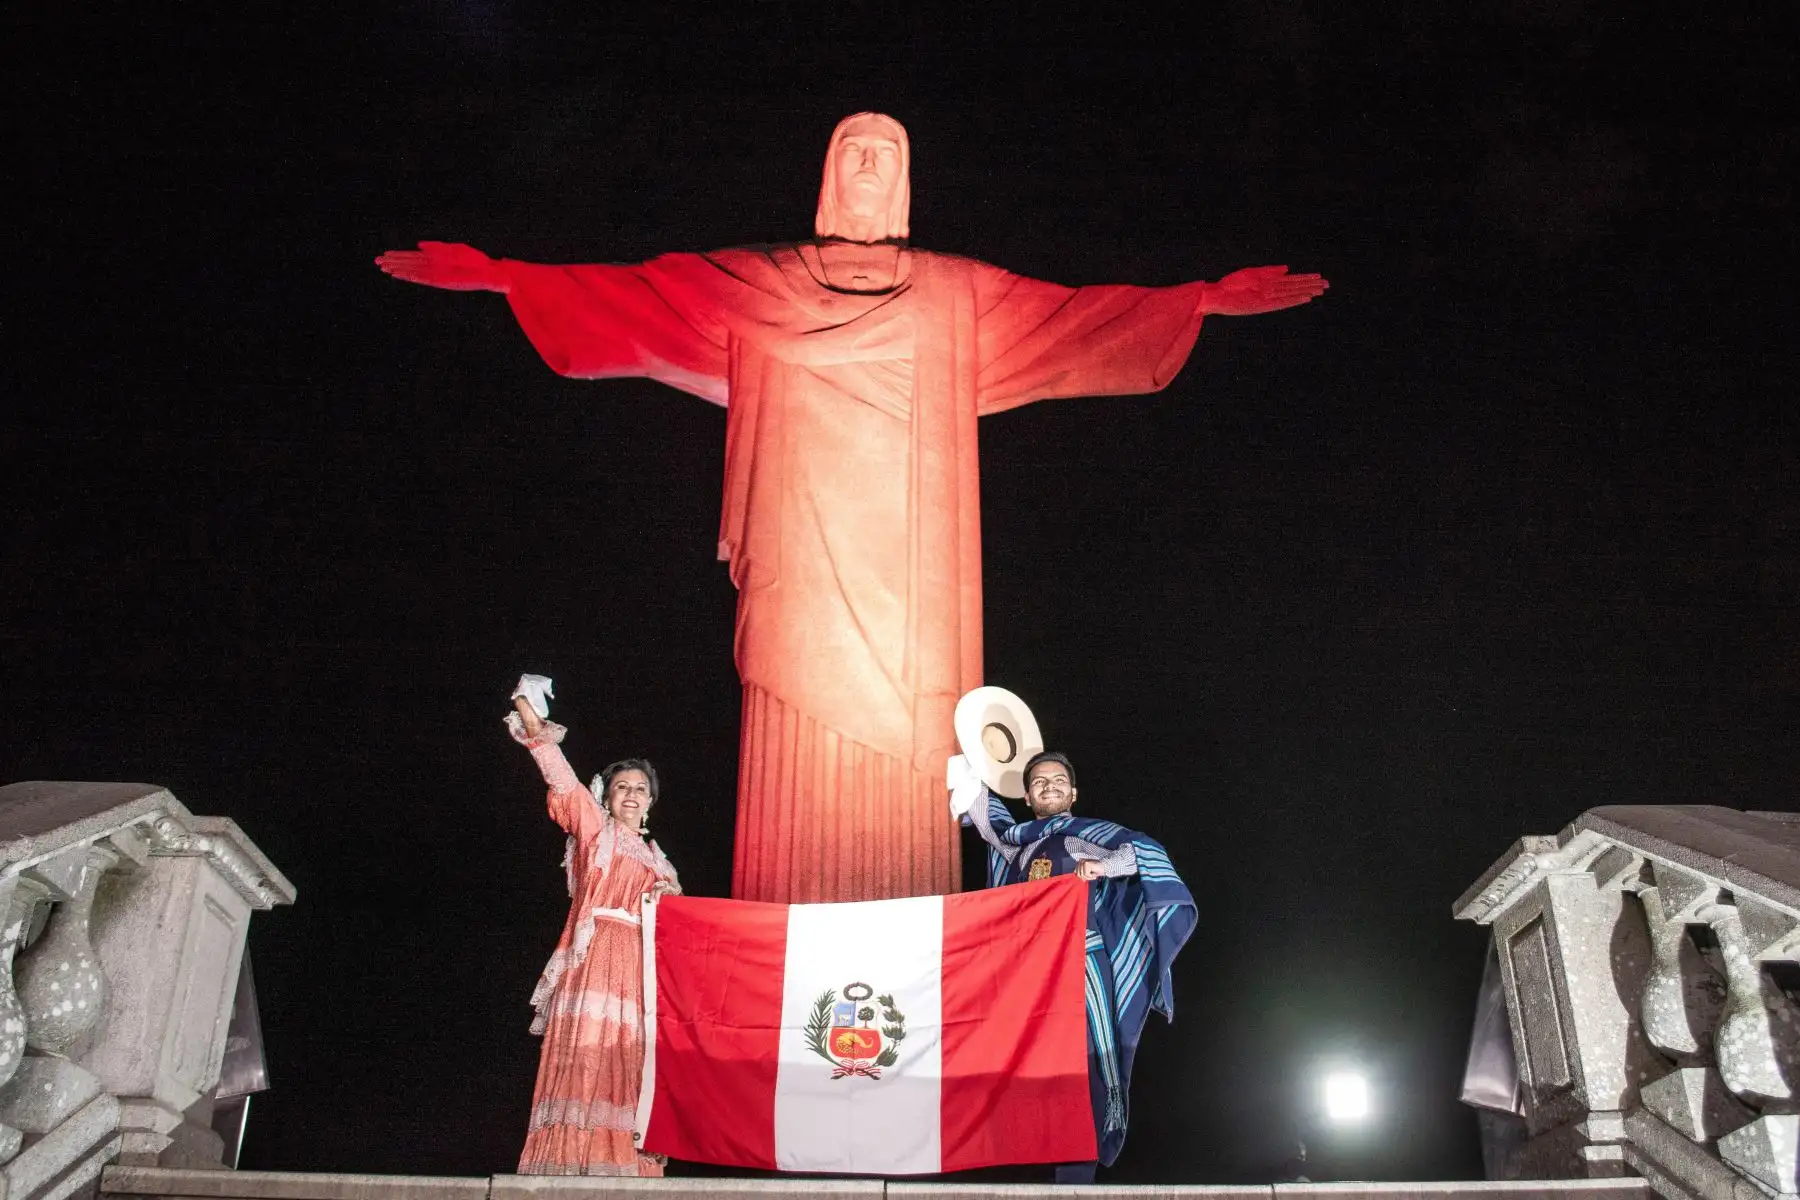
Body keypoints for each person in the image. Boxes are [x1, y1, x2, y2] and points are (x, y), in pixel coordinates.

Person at [378, 113, 1327, 906]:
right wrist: (511, 277)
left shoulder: (957, 295)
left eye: (889, 153)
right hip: (800, 566)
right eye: (853, 150)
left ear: (906, 182)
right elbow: (638, 297)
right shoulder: (765, 282)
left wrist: (1196, 301)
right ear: (830, 177)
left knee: (917, 768)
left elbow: (1079, 319)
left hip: (915, 595)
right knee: (793, 744)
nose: (870, 164)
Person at [963, 750, 1196, 1183]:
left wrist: (1103, 866)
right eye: (1038, 782)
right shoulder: (1018, 843)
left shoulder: (1081, 835)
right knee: (1017, 1066)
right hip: (1026, 972)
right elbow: (985, 820)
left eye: (1057, 780)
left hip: (1078, 961)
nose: (1048, 785)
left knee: (1088, 1062)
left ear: (1073, 792)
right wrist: (971, 757)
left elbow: (1143, 852)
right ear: (1028, 798)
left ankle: (1076, 1179)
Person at [505, 701, 681, 1177]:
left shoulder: (661, 862)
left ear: (651, 802)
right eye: (622, 786)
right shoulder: (595, 832)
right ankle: (572, 1163)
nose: (631, 794)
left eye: (640, 789)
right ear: (606, 797)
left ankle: (626, 1162)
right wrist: (535, 728)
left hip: (642, 972)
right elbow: (562, 783)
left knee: (632, 1060)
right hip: (599, 955)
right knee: (591, 1052)